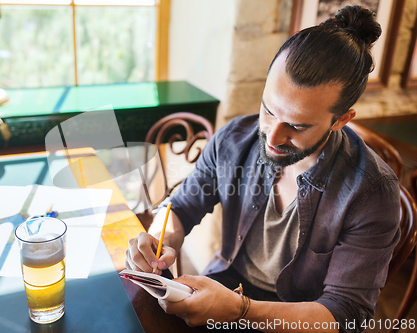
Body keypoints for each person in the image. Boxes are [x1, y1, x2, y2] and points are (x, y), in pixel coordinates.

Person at [125, 5, 400, 333]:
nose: (272, 135)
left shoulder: (371, 192)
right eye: (268, 109)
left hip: (301, 319)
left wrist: (241, 311)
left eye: (296, 127)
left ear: (341, 120)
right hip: (227, 287)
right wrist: (158, 240)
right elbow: (182, 206)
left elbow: (346, 314)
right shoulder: (235, 139)